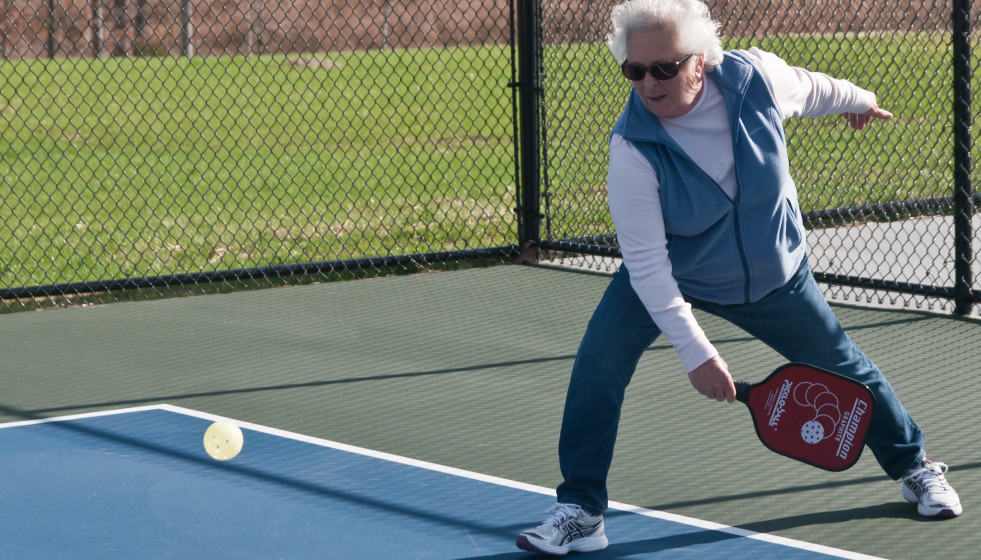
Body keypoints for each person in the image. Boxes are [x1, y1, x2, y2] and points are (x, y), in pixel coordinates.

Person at [516, 0, 962, 555]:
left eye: (664, 68)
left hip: (774, 275)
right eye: (634, 70)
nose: (648, 84)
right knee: (598, 365)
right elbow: (650, 266)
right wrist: (698, 353)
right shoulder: (632, 149)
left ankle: (913, 465)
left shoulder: (755, 80)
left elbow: (815, 88)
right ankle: (582, 511)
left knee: (842, 365)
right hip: (676, 273)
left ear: (700, 61)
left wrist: (862, 99)